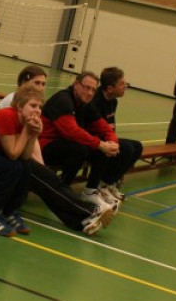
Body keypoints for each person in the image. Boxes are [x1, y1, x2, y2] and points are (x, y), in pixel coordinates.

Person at [0, 87, 114, 237]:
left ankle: (11, 211)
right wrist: (28, 131)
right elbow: (13, 154)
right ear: (19, 107)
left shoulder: (24, 121)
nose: (37, 111)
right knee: (12, 167)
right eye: (33, 106)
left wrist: (33, 134)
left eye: (40, 107)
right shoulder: (7, 116)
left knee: (25, 167)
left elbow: (25, 156)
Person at [40, 71, 135, 209]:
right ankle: (62, 189)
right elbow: (71, 132)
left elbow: (104, 127)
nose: (90, 93)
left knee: (100, 149)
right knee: (81, 149)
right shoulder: (63, 100)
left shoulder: (86, 104)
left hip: (65, 145)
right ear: (76, 85)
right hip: (45, 146)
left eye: (93, 89)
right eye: (86, 87)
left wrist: (112, 143)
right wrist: (99, 144)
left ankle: (90, 191)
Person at [90, 67, 145, 197]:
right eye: (122, 84)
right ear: (110, 89)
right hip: (94, 140)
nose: (125, 86)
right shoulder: (95, 101)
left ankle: (111, 182)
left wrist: (113, 140)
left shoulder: (113, 101)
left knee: (137, 146)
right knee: (127, 149)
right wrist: (111, 143)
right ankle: (103, 184)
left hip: (106, 138)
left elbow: (111, 126)